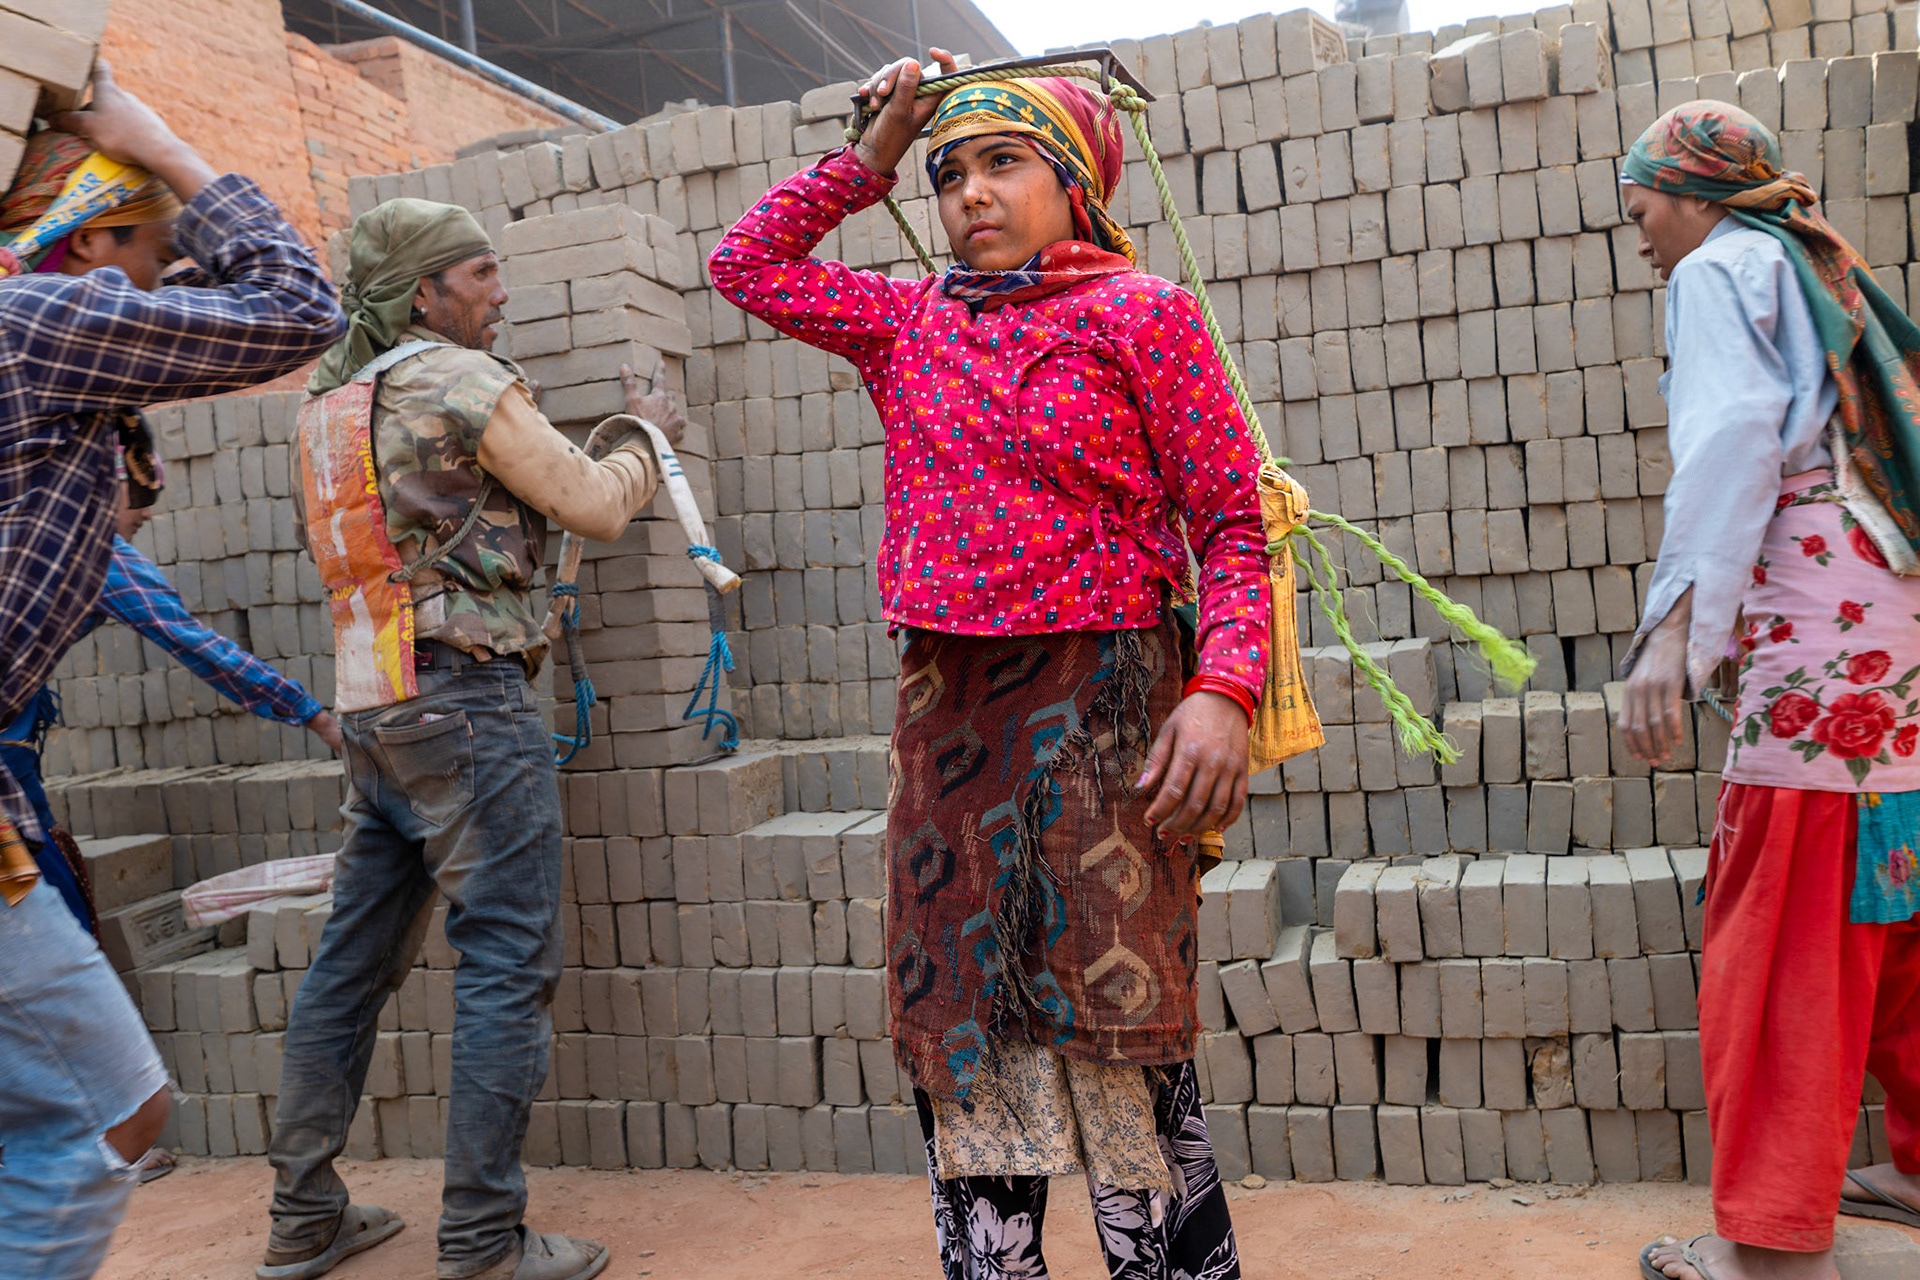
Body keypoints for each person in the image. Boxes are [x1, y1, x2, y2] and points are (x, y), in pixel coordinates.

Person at [710, 50, 1269, 1280]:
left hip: (1111, 723)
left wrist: (1224, 690)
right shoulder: (907, 323)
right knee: (965, 1024)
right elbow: (743, 266)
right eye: (951, 170)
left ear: (1078, 182)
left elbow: (1231, 521)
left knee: (1121, 1032)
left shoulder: (1145, 315)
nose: (968, 193)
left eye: (1004, 161)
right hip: (950, 730)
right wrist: (871, 157)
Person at [263, 196, 684, 1280]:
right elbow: (590, 503)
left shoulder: (325, 403)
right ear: (424, 293)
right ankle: (484, 1240)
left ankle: (303, 1214)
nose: (501, 293)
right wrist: (646, 444)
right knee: (504, 959)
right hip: (465, 703)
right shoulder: (453, 379)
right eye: (482, 273)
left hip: (375, 707)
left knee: (348, 965)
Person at [0, 65, 347, 1280]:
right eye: (150, 248)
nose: (168, 276)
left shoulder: (38, 329)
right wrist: (161, 138)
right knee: (95, 1119)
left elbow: (198, 300)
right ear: (94, 239)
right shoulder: (33, 331)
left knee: (94, 1112)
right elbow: (300, 311)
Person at [1617, 102, 1920, 1280]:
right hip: (1889, 633)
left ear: (1690, 194)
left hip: (1819, 643)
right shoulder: (1807, 261)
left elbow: (1735, 440)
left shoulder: (1721, 267)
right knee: (1887, 898)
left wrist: (1673, 637)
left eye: (1642, 208)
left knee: (1784, 917)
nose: (1639, 234)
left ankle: (1773, 1245)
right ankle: (1911, 1163)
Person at [2, 462, 343, 936]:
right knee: (50, 920)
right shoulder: (90, 548)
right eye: (138, 492)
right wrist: (315, 717)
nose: (145, 512)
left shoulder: (23, 522)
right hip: (7, 771)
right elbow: (196, 644)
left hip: (14, 755)